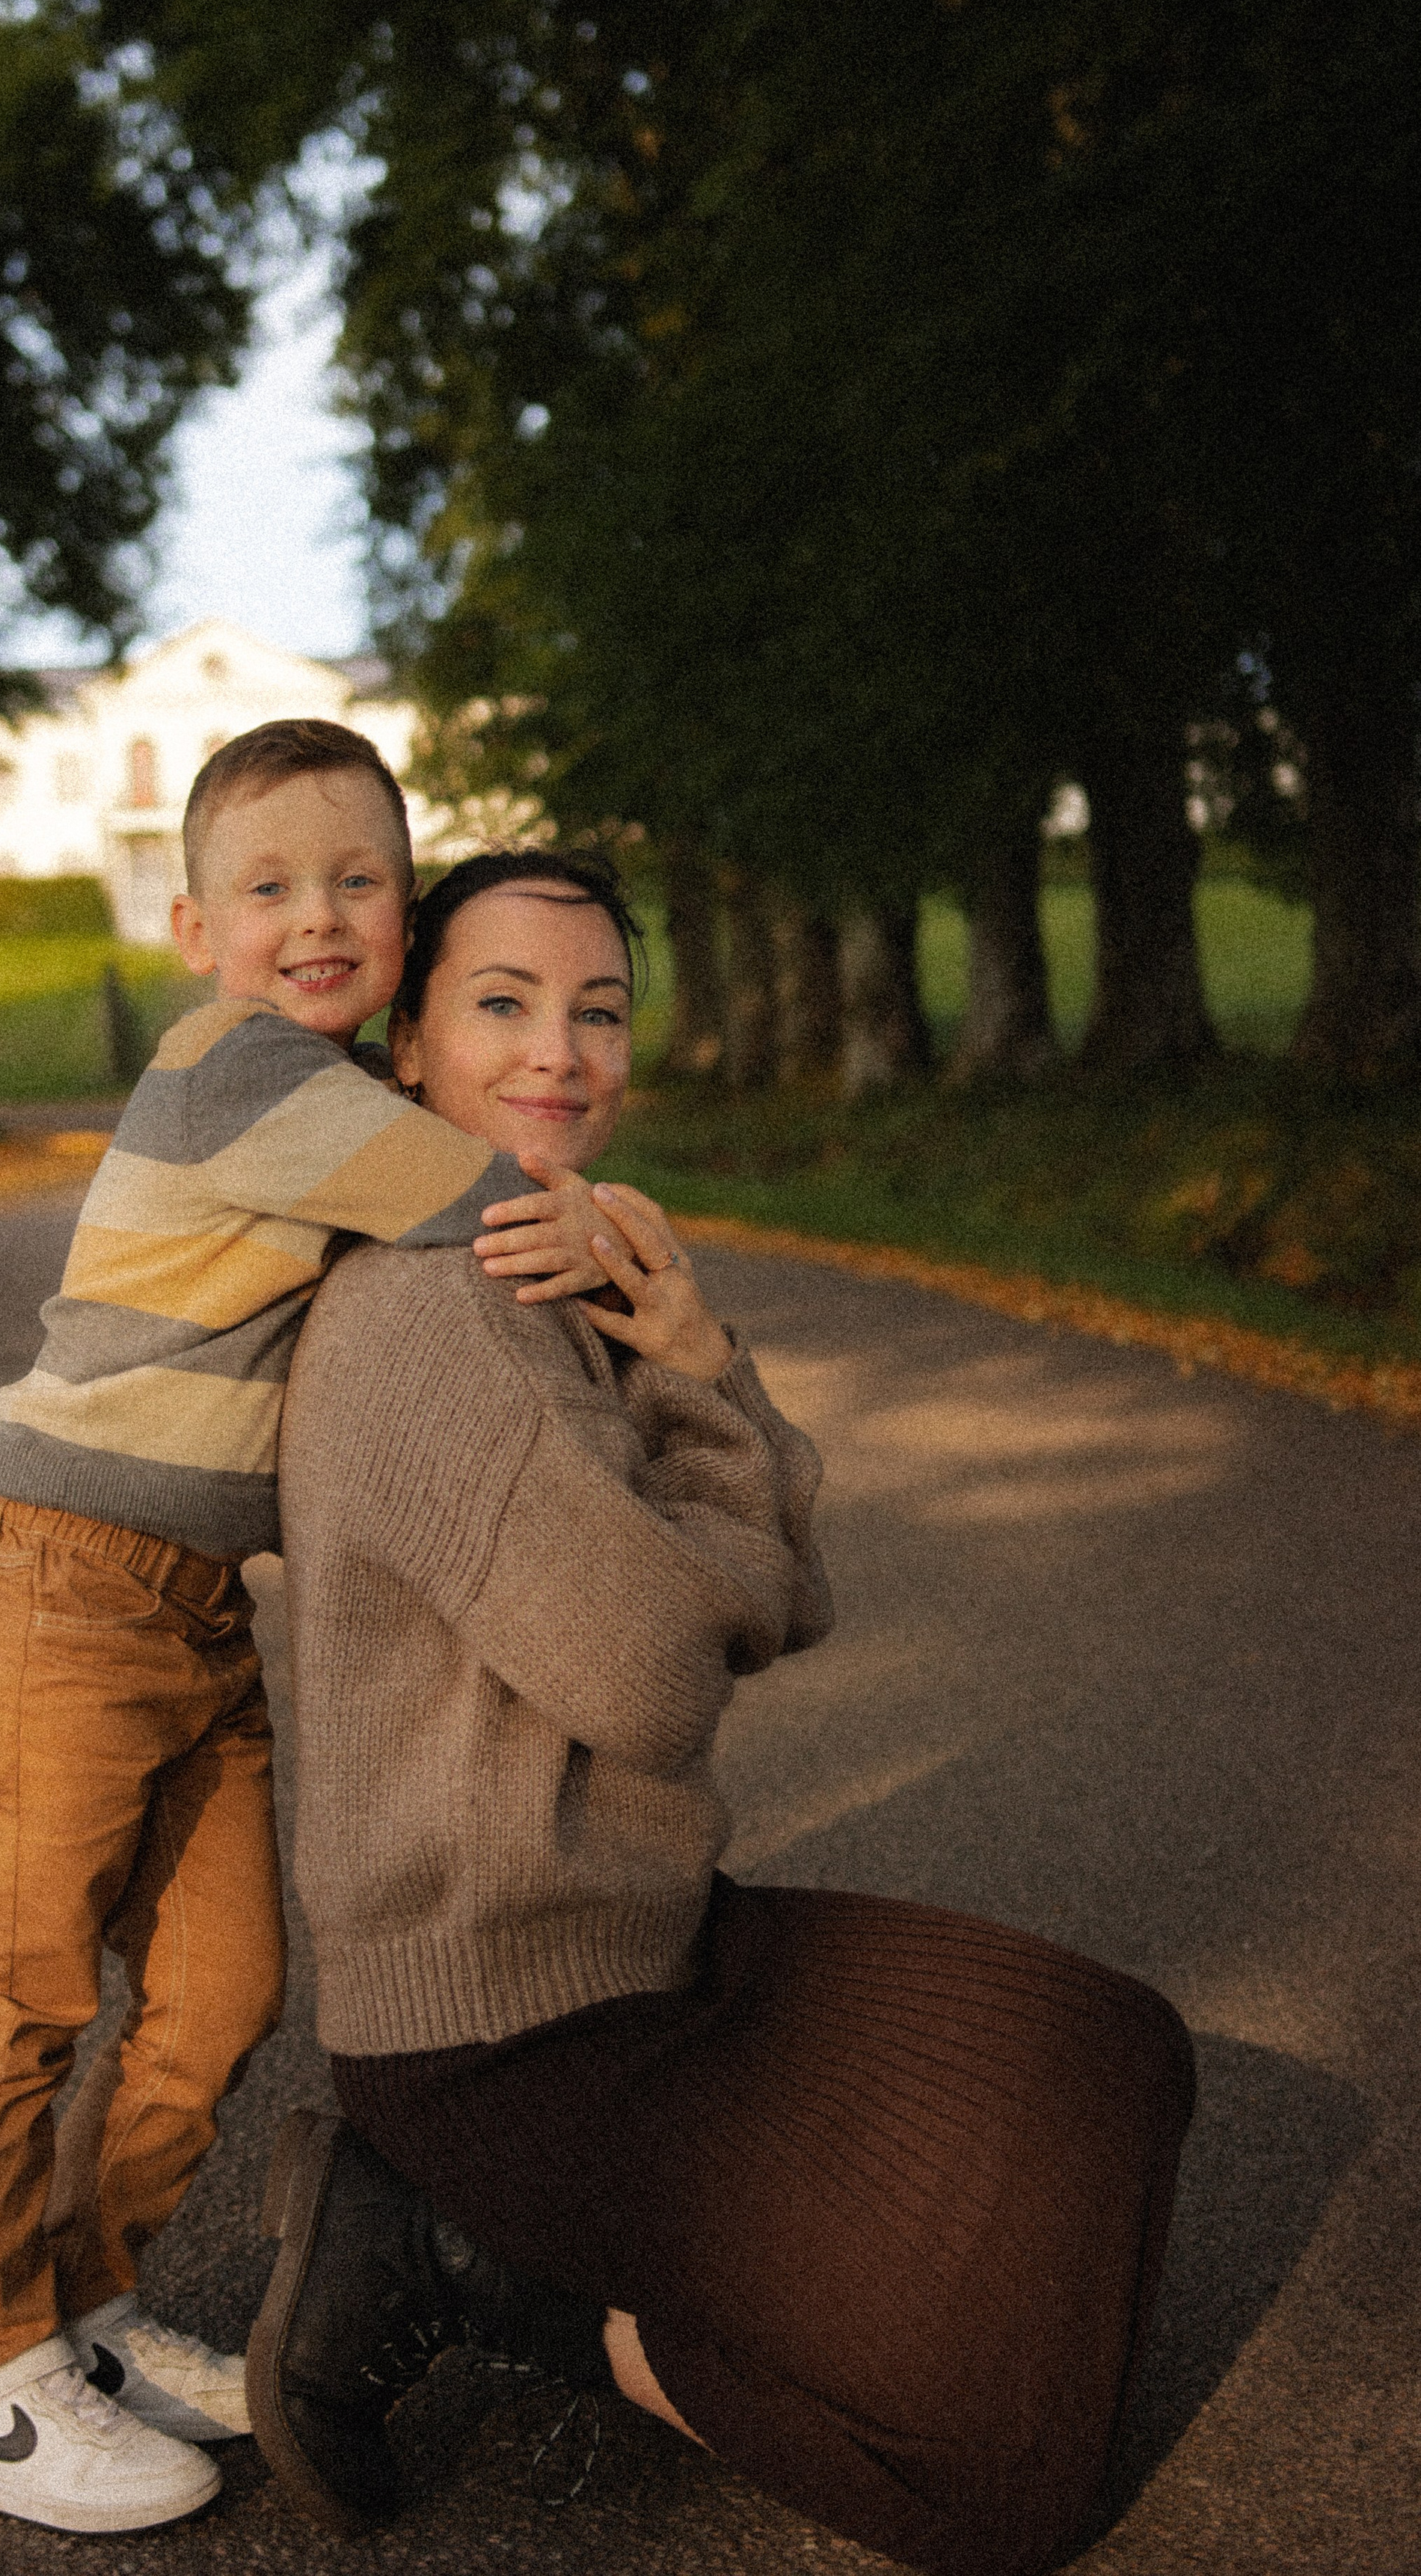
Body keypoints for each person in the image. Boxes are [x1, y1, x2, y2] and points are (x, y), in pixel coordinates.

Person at [252, 849, 1197, 2576]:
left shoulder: (551, 1275)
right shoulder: (424, 1313)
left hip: (661, 1942)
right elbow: (660, 1679)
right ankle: (474, 2268)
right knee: (998, 2482)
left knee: (1115, 2054)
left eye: (598, 1011)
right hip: (504, 2034)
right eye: (502, 1003)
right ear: (408, 1047)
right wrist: (701, 1425)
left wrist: (688, 1349)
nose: (560, 1052)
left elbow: (786, 1592)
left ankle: (522, 2249)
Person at [0, 730, 606, 2535]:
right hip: (49, 1583)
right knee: (15, 2000)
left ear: (404, 911)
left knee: (223, 1991)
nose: (317, 917)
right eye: (269, 887)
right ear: (195, 931)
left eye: (359, 882)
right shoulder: (238, 1072)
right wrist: (634, 1254)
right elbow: (483, 1203)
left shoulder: (327, 1089)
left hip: (189, 1609)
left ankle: (81, 2312)